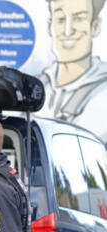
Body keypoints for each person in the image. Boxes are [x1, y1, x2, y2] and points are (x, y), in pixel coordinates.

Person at [40, 0, 107, 142]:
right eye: (61, 19)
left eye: (78, 18)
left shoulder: (102, 93)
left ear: (95, 27)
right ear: (49, 26)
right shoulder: (37, 86)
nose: (68, 31)